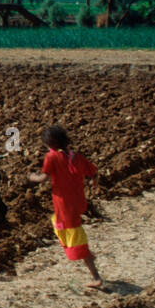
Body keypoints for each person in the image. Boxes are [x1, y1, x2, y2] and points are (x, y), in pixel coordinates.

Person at [28, 124, 106, 290]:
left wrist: (32, 177)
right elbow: (94, 172)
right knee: (58, 224)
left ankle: (96, 276)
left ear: (49, 144)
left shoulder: (52, 157)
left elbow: (44, 178)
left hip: (65, 205)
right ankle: (84, 254)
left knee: (75, 236)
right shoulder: (75, 156)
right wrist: (94, 183)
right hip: (78, 201)